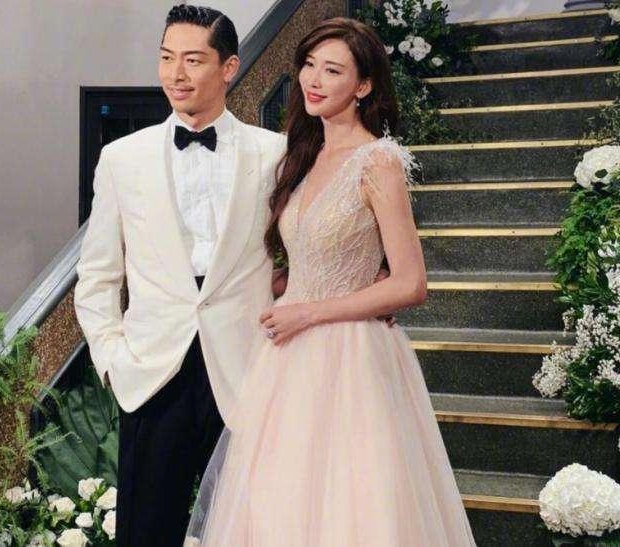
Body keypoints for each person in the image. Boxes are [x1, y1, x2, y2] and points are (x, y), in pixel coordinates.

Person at [184, 17, 477, 547]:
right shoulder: (300, 153)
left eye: (333, 70)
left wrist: (309, 311)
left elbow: (411, 283)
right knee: (278, 508)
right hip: (286, 360)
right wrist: (280, 289)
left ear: (363, 86)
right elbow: (306, 259)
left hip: (350, 357)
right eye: (309, 65)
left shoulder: (379, 161)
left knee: (351, 510)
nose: (313, 80)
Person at [73, 5, 288, 546]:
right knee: (147, 533)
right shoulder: (121, 158)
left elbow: (301, 250)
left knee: (247, 533)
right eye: (167, 58)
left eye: (193, 60)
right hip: (152, 373)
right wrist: (112, 361)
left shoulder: (275, 154)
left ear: (229, 67)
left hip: (243, 369)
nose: (176, 73)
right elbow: (97, 276)